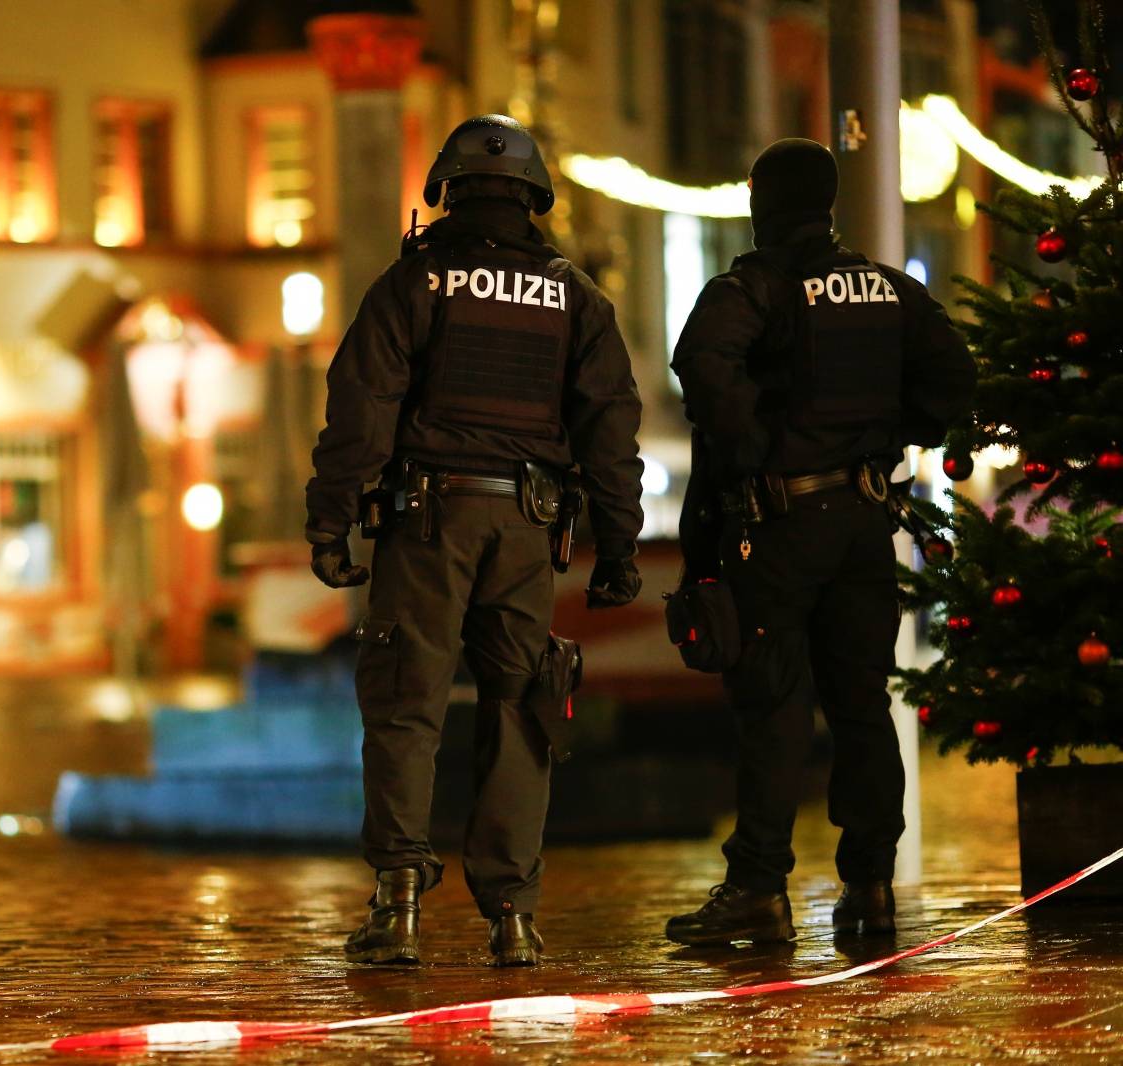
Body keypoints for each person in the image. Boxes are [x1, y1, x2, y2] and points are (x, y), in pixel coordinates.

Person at [304, 115, 645, 967]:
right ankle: (514, 918)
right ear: (534, 198)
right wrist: (621, 545)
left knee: (405, 708)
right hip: (527, 525)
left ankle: (396, 908)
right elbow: (610, 426)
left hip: (428, 519)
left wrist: (331, 516)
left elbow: (362, 407)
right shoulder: (576, 295)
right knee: (520, 707)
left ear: (445, 191)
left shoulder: (413, 282)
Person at [665, 138, 976, 946]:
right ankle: (871, 889)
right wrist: (882, 441)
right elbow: (953, 375)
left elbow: (699, 363)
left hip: (783, 521)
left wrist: (757, 450)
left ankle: (758, 892)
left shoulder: (755, 288)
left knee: (775, 706)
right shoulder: (888, 289)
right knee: (861, 705)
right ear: (829, 204)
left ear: (762, 206)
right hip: (867, 524)